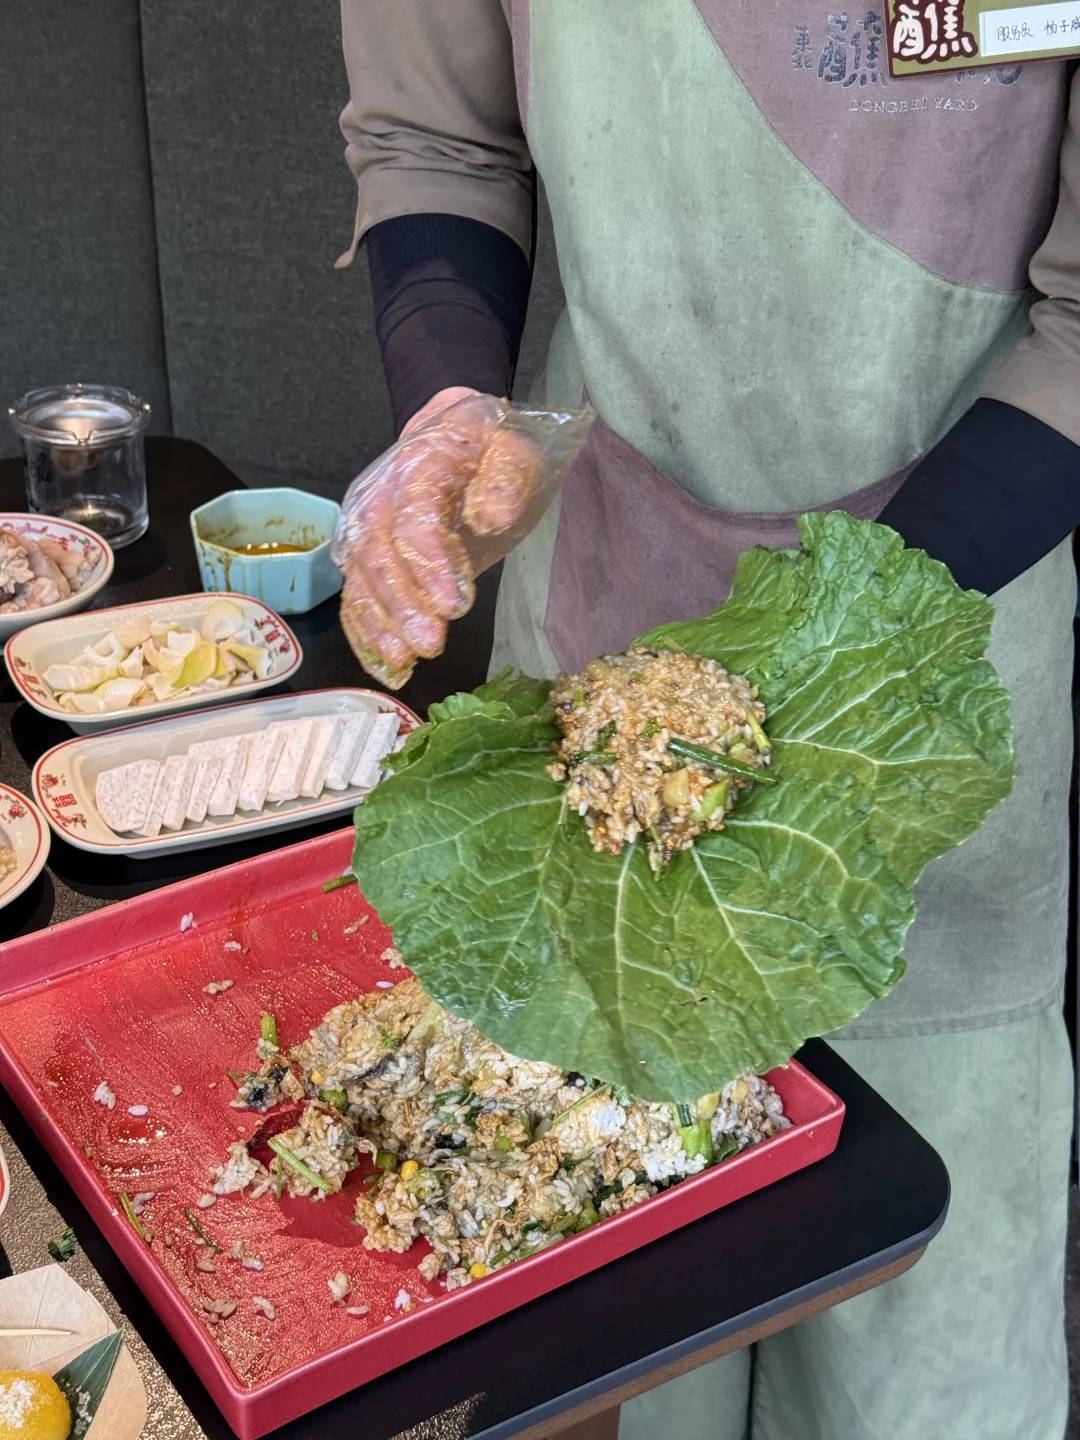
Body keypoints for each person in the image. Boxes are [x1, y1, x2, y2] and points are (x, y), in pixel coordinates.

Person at [332, 5, 1079, 1437]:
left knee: (921, 1355)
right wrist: (447, 408)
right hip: (601, 633)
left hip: (933, 684)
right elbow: (439, 138)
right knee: (626, 1335)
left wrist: (839, 636)